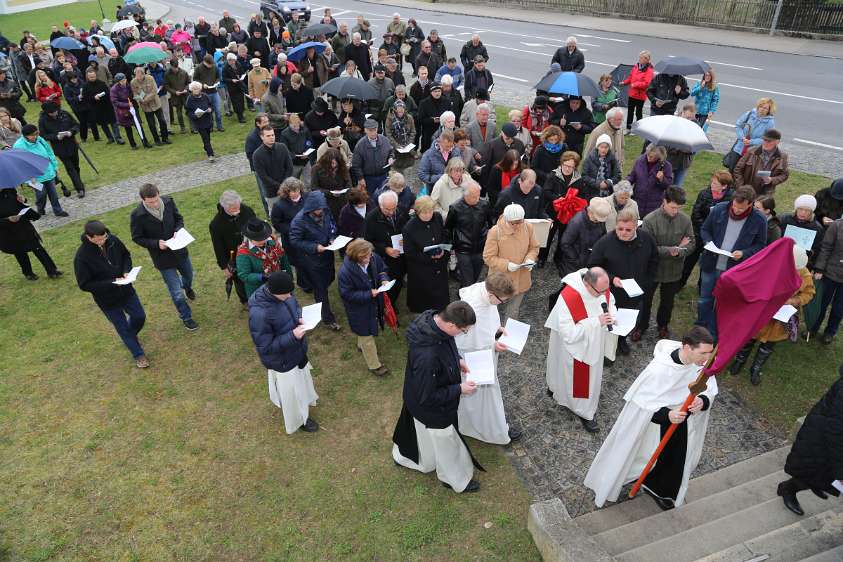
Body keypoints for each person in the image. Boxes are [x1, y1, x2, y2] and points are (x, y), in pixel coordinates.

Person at [584, 327, 717, 509]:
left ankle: (661, 491)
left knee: (674, 460)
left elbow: (708, 387)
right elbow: (641, 404)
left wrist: (702, 401)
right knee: (636, 456)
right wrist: (667, 414)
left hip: (680, 423)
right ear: (687, 348)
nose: (707, 359)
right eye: (703, 353)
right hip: (653, 425)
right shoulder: (659, 370)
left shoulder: (700, 365)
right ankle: (619, 479)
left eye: (710, 353)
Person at [391, 301, 482, 493]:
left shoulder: (433, 323)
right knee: (445, 444)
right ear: (450, 325)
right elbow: (428, 396)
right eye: (463, 331)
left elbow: (445, 345)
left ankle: (409, 458)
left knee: (424, 440)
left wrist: (456, 360)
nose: (462, 334)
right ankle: (453, 479)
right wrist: (459, 389)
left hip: (419, 400)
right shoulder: (427, 357)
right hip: (432, 410)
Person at [545, 266, 617, 432]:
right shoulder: (569, 297)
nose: (603, 294)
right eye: (600, 291)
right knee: (568, 373)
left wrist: (612, 314)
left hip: (593, 343)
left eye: (606, 289)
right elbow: (569, 333)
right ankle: (580, 409)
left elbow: (610, 301)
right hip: (573, 347)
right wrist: (596, 322)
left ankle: (584, 409)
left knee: (589, 378)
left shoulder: (601, 287)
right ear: (587, 284)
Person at [248, 271, 320, 434]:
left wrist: (300, 317)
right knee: (292, 393)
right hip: (283, 361)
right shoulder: (260, 314)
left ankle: (306, 402)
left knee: (301, 382)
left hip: (296, 351)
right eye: (286, 294)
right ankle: (299, 420)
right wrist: (292, 336)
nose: (290, 296)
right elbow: (266, 347)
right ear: (274, 292)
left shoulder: (283, 294)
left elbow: (293, 308)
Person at [730, 246, 813, 386]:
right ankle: (739, 360)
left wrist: (793, 301)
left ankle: (756, 368)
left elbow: (808, 293)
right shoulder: (769, 265)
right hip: (761, 312)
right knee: (750, 338)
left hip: (780, 319)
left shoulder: (804, 274)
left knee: (769, 344)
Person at [455, 273, 522, 444]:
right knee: (484, 394)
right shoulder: (473, 307)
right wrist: (494, 345)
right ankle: (493, 430)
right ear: (491, 294)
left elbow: (486, 324)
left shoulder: (485, 293)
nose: (503, 303)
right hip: (474, 358)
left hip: (481, 353)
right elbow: (472, 341)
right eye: (503, 300)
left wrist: (497, 330)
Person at [73, 220, 148, 368]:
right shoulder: (81, 257)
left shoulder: (113, 240)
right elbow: (85, 284)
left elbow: (126, 255)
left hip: (126, 290)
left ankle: (130, 336)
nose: (102, 241)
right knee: (121, 327)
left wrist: (126, 270)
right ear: (89, 237)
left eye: (104, 237)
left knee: (140, 316)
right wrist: (112, 282)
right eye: (98, 239)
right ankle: (138, 355)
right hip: (107, 299)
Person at [697, 186, 767, 338]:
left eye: (741, 208)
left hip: (733, 269)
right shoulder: (719, 209)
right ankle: (701, 326)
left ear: (750, 204)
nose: (736, 210)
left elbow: (761, 245)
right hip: (711, 263)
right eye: (734, 205)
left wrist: (744, 253)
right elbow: (705, 229)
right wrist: (709, 242)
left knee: (723, 303)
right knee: (705, 298)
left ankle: (714, 332)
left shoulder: (759, 220)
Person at [588, 209, 659, 354]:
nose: (623, 232)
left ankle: (621, 341)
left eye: (628, 229)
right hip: (612, 293)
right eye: (620, 229)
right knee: (611, 321)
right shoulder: (605, 242)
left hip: (636, 292)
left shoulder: (646, 239)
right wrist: (612, 278)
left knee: (629, 321)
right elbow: (593, 265)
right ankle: (605, 348)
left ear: (636, 227)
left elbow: (654, 259)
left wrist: (647, 281)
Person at [130, 184, 198, 331]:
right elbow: (137, 238)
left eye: (155, 200)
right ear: (143, 200)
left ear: (159, 194)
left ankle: (187, 287)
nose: (154, 204)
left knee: (189, 275)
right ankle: (186, 316)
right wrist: (155, 243)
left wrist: (177, 230)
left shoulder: (168, 202)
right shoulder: (137, 215)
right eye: (150, 202)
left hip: (179, 249)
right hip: (162, 257)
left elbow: (179, 219)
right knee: (176, 292)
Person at [777, 368, 843, 516]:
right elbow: (836, 430)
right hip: (822, 439)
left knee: (820, 474)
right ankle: (788, 488)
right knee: (810, 472)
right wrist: (841, 473)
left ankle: (815, 483)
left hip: (829, 437)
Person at [638, 186, 695, 339]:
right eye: (672, 207)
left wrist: (681, 251)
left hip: (673, 271)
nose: (675, 211)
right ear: (664, 201)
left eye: (678, 208)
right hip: (652, 270)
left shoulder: (685, 220)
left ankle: (663, 326)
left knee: (667, 302)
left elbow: (691, 244)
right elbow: (648, 248)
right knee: (645, 300)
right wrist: (674, 249)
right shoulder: (650, 220)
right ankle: (640, 326)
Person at [338, 238, 392, 377]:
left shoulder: (373, 257)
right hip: (358, 309)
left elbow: (382, 269)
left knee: (364, 331)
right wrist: (368, 294)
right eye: (365, 257)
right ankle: (375, 366)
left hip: (373, 304)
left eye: (370, 255)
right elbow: (347, 294)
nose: (369, 258)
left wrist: (384, 279)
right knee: (366, 335)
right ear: (356, 256)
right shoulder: (345, 272)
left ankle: (360, 345)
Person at [289, 191, 342, 331]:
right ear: (310, 209)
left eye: (322, 208)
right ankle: (327, 318)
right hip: (312, 259)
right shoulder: (299, 221)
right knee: (321, 289)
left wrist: (332, 236)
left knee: (329, 278)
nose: (321, 211)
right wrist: (314, 247)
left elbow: (332, 225)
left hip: (327, 254)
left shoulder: (325, 210)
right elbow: (295, 240)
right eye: (317, 209)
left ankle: (317, 289)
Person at [483, 203, 539, 320]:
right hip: (499, 281)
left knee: (513, 311)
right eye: (514, 223)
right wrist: (506, 265)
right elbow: (488, 257)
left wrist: (530, 258)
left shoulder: (528, 227)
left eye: (520, 222)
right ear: (507, 220)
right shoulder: (495, 231)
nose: (518, 226)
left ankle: (508, 335)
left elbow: (534, 247)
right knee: (492, 310)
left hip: (521, 278)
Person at [681, 170, 734, 287]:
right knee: (689, 261)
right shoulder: (704, 194)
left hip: (716, 238)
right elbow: (695, 214)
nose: (712, 185)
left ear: (724, 186)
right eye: (712, 182)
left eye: (715, 184)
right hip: (699, 233)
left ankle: (702, 286)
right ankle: (680, 283)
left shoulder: (731, 199)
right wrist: (705, 229)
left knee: (707, 264)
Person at [0, 187, 61, 280]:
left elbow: (21, 205)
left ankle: (52, 270)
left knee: (37, 247)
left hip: (24, 226)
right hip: (9, 231)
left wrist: (23, 200)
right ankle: (28, 273)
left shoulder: (10, 190)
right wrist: (8, 220)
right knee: (20, 252)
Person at [402, 196, 451, 314]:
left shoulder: (437, 217)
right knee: (425, 299)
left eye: (430, 211)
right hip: (422, 269)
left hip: (439, 265)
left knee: (441, 297)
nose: (429, 215)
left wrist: (444, 249)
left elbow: (444, 235)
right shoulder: (409, 228)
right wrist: (430, 257)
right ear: (417, 211)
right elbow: (410, 253)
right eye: (425, 212)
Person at [209, 190, 257, 306]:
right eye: (234, 209)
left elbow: (255, 225)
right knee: (239, 279)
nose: (238, 210)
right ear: (225, 207)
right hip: (233, 255)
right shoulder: (216, 224)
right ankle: (245, 300)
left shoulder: (246, 210)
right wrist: (224, 266)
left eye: (238, 207)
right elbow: (218, 247)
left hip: (252, 248)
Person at [364, 189, 409, 310]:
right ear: (380, 205)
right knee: (388, 282)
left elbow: (409, 228)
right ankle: (388, 305)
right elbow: (368, 241)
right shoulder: (371, 218)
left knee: (399, 279)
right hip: (384, 258)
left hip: (402, 254)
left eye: (393, 208)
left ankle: (392, 301)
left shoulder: (402, 211)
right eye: (387, 209)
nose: (391, 212)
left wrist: (407, 238)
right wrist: (384, 249)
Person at [12, 124, 68, 217]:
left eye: (37, 133)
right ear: (26, 136)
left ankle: (58, 211)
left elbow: (49, 152)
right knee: (41, 194)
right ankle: (40, 209)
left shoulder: (40, 139)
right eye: (33, 135)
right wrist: (29, 177)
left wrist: (55, 166)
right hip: (33, 177)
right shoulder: (18, 146)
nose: (36, 136)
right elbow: (20, 164)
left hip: (48, 172)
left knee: (53, 193)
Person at [445, 182, 490, 287]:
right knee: (467, 280)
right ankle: (466, 301)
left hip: (480, 247)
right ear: (465, 195)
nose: (478, 199)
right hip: (463, 250)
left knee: (475, 277)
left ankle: (463, 293)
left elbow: (490, 223)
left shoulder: (484, 204)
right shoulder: (455, 208)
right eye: (474, 197)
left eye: (479, 195)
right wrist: (451, 246)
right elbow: (448, 228)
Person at [37, 101, 86, 198]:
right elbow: (43, 135)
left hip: (71, 143)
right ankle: (80, 188)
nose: (54, 114)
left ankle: (78, 182)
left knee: (76, 166)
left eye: (55, 111)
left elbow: (76, 125)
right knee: (70, 168)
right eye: (51, 113)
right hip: (59, 147)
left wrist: (71, 132)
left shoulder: (65, 114)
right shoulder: (42, 120)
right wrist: (55, 136)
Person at [810, 214, 843, 344]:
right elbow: (826, 248)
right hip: (829, 273)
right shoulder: (837, 225)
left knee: (839, 308)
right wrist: (820, 269)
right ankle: (813, 327)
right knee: (821, 303)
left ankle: (830, 332)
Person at [559, 198, 611, 276]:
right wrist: (576, 259)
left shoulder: (599, 221)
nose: (599, 221)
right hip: (574, 265)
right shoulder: (576, 222)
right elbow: (565, 244)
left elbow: (603, 237)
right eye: (597, 219)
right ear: (590, 212)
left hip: (590, 261)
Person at [734, 128, 789, 196]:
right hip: (746, 191)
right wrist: (741, 187)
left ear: (777, 142)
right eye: (764, 140)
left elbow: (784, 175)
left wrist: (772, 180)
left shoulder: (782, 157)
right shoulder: (751, 151)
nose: (765, 143)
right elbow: (737, 169)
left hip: (765, 194)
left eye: (769, 141)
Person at [252, 125, 294, 210]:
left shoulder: (282, 147)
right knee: (276, 216)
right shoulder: (257, 155)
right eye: (268, 136)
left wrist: (284, 184)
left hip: (287, 188)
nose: (271, 137)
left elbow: (289, 167)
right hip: (271, 192)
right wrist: (280, 186)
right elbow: (263, 176)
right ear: (262, 137)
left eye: (273, 135)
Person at [726, 97, 776, 169]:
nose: (762, 109)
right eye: (760, 106)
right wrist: (742, 137)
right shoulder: (749, 114)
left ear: (769, 110)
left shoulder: (770, 122)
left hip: (753, 152)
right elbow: (738, 125)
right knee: (731, 169)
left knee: (743, 173)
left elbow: (768, 139)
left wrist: (751, 142)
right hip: (739, 147)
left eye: (765, 108)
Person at [628, 144, 673, 219]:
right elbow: (632, 175)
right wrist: (627, 183)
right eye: (647, 154)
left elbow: (668, 185)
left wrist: (662, 179)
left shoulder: (666, 166)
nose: (648, 158)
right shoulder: (640, 161)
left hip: (654, 204)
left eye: (651, 157)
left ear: (659, 156)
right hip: (638, 199)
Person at [351, 119, 394, 195]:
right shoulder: (360, 145)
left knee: (383, 196)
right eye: (370, 130)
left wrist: (391, 158)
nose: (373, 133)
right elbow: (356, 165)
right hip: (368, 178)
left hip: (383, 176)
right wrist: (360, 178)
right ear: (365, 130)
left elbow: (391, 151)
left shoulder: (385, 140)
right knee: (370, 199)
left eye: (375, 130)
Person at [779, 194, 823, 269]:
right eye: (800, 209)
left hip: (800, 262)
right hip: (781, 256)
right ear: (796, 209)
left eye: (807, 210)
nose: (803, 212)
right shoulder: (784, 219)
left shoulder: (817, 228)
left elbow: (817, 249)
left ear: (811, 212)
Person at [111, 72, 151, 150]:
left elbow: (133, 94)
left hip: (133, 108)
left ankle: (145, 142)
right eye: (122, 81)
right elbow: (115, 102)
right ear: (118, 82)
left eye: (125, 80)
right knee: (128, 128)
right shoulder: (114, 89)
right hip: (124, 112)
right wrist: (127, 105)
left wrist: (137, 97)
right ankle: (133, 145)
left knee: (139, 125)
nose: (124, 82)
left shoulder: (128, 85)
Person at [131, 67, 170, 146]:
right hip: (146, 107)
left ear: (143, 74)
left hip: (156, 104)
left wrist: (146, 99)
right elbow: (135, 94)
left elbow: (154, 91)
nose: (138, 78)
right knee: (151, 124)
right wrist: (141, 100)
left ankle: (165, 138)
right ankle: (157, 140)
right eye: (136, 76)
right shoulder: (133, 82)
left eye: (139, 76)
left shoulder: (150, 78)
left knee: (162, 121)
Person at [311, 147, 353, 222]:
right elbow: (314, 187)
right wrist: (330, 193)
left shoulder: (343, 168)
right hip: (326, 202)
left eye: (335, 162)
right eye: (331, 163)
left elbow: (348, 184)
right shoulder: (316, 169)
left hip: (342, 201)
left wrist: (344, 193)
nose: (333, 165)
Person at [81, 67, 119, 143]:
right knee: (103, 124)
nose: (92, 78)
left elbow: (108, 93)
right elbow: (85, 98)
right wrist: (93, 98)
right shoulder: (85, 86)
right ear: (88, 77)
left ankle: (118, 137)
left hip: (107, 106)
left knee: (113, 122)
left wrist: (101, 96)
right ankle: (110, 138)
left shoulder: (102, 83)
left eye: (94, 77)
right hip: (96, 108)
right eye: (91, 77)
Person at [418, 130, 460, 196]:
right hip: (435, 191)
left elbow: (460, 167)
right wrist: (441, 177)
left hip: (453, 190)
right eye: (447, 146)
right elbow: (422, 175)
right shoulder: (428, 155)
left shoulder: (456, 151)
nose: (449, 149)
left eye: (451, 146)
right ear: (440, 142)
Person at [666, 104, 698, 187]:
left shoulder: (696, 127)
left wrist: (689, 150)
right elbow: (666, 144)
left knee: (677, 186)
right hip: (670, 160)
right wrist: (678, 148)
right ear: (682, 113)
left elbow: (696, 147)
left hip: (683, 163)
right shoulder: (673, 125)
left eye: (691, 118)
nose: (689, 120)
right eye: (687, 117)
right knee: (664, 184)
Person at [581, 134, 621, 200]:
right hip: (592, 193)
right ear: (597, 147)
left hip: (609, 195)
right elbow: (584, 176)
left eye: (606, 147)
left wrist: (608, 182)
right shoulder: (589, 159)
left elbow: (618, 176)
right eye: (601, 147)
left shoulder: (613, 159)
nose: (603, 149)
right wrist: (598, 183)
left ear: (609, 148)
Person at [622, 51, 653, 133]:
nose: (640, 59)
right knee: (630, 111)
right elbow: (630, 77)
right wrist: (624, 82)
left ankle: (639, 129)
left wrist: (635, 84)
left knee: (638, 113)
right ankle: (628, 128)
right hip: (632, 94)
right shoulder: (636, 66)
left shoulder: (649, 70)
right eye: (640, 57)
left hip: (640, 95)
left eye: (642, 58)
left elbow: (646, 84)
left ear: (647, 60)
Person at [184, 81, 216, 162]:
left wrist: (210, 109)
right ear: (191, 90)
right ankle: (210, 155)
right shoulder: (190, 99)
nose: (196, 90)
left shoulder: (205, 96)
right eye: (194, 89)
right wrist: (195, 116)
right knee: (205, 138)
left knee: (208, 138)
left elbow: (211, 105)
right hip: (199, 122)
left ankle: (206, 147)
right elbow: (188, 112)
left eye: (197, 88)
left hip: (208, 120)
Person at [192, 54, 224, 132]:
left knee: (218, 110)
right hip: (205, 93)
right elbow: (195, 79)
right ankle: (210, 127)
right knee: (208, 111)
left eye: (211, 64)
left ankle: (220, 127)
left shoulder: (214, 66)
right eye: (209, 64)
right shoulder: (198, 68)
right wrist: (202, 84)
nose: (210, 66)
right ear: (204, 62)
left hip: (214, 91)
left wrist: (216, 82)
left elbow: (218, 77)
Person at [384, 100, 416, 172]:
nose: (401, 113)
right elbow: (388, 134)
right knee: (397, 168)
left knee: (407, 166)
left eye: (402, 111)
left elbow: (413, 131)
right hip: (396, 147)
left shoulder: (409, 118)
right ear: (395, 110)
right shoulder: (390, 119)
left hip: (407, 146)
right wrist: (396, 145)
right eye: (399, 112)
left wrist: (408, 143)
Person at [279, 113, 312, 180]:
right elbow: (285, 149)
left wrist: (307, 152)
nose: (297, 128)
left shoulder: (305, 130)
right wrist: (295, 156)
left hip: (306, 161)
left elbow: (309, 142)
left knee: (309, 182)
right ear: (289, 124)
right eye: (294, 126)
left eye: (298, 126)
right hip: (293, 164)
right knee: (294, 183)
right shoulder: (284, 134)